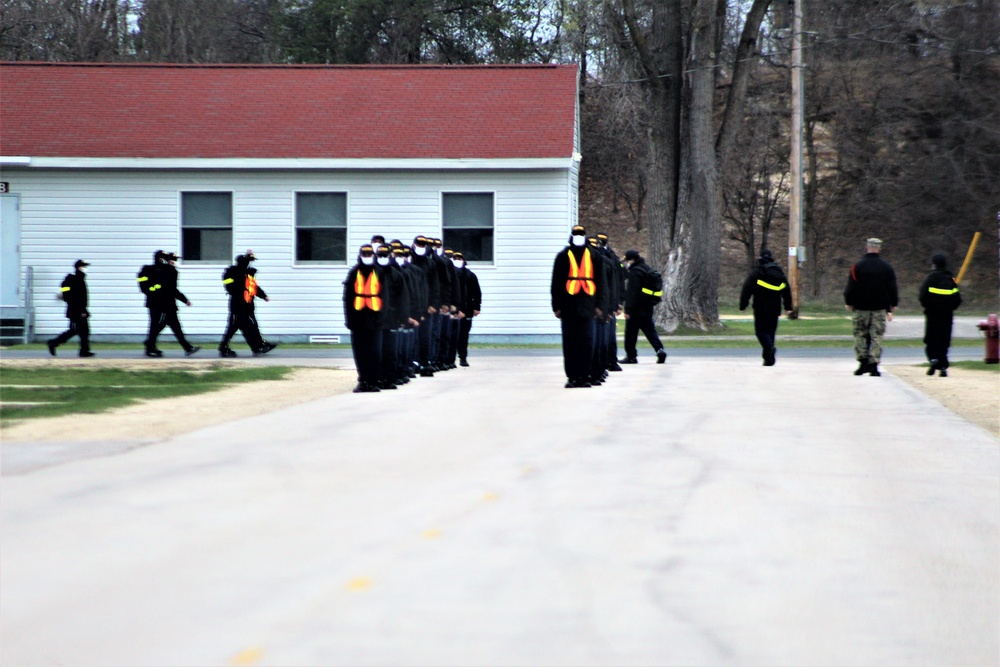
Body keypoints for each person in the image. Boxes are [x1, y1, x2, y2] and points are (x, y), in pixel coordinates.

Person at [551, 225, 606, 388]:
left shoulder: (595, 256)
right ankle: (572, 377)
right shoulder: (562, 256)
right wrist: (556, 306)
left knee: (587, 343)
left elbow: (601, 282)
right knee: (570, 344)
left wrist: (600, 306)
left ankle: (584, 376)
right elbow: (556, 283)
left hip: (588, 306)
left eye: (581, 234)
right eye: (576, 234)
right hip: (568, 306)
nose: (579, 237)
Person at [844, 237, 898, 377]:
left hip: (860, 307)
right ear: (879, 249)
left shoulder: (857, 266)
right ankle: (873, 365)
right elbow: (891, 287)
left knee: (860, 334)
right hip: (879, 308)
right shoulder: (886, 267)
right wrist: (893, 304)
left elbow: (851, 286)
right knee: (876, 336)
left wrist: (849, 301)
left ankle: (862, 363)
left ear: (867, 248)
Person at [137, 250, 199, 358]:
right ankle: (149, 346)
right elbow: (160, 289)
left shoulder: (169, 271)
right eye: (170, 260)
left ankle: (187, 347)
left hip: (168, 304)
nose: (173, 262)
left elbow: (172, 289)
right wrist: (184, 300)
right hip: (158, 305)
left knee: (175, 326)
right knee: (156, 326)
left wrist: (184, 300)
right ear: (162, 259)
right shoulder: (155, 271)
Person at [739, 248, 794, 366]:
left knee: (760, 332)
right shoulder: (778, 273)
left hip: (760, 307)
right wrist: (788, 306)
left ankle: (769, 349)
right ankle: (769, 359)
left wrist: (743, 305)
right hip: (775, 308)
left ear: (760, 258)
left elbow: (746, 289)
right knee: (770, 333)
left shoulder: (756, 272)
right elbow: (786, 290)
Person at [344, 244, 386, 393]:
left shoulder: (379, 272)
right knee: (360, 353)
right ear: (360, 255)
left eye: (369, 254)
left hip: (375, 319)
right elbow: (348, 298)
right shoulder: (354, 272)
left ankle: (373, 381)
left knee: (375, 352)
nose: (367, 256)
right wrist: (348, 320)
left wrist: (383, 318)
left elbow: (385, 297)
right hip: (358, 319)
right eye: (365, 254)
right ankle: (363, 380)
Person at [219, 250, 277, 358]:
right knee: (234, 327)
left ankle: (258, 347)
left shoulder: (248, 274)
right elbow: (230, 286)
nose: (250, 263)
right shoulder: (234, 272)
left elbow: (254, 288)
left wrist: (263, 296)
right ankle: (224, 348)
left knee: (251, 327)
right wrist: (239, 289)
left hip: (247, 305)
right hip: (237, 306)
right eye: (249, 261)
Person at [620, 249, 667, 365]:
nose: (626, 263)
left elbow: (632, 293)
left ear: (632, 260)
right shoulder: (647, 269)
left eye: (627, 261)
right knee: (650, 331)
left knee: (631, 333)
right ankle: (659, 350)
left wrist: (627, 310)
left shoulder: (635, 272)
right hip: (647, 306)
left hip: (636, 308)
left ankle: (631, 356)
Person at [919, 253, 962, 377]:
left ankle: (933, 360)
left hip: (932, 314)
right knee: (944, 339)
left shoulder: (931, 279)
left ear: (934, 265)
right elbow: (957, 299)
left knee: (931, 338)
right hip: (947, 315)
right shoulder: (950, 280)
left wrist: (928, 307)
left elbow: (922, 296)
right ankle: (943, 365)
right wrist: (950, 308)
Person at [47, 259, 94, 357]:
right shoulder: (73, 279)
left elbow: (80, 298)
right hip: (76, 311)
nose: (86, 268)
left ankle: (84, 351)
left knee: (82, 331)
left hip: (79, 310)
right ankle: (54, 343)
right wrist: (81, 310)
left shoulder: (80, 279)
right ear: (79, 267)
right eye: (84, 266)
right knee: (76, 330)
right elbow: (72, 297)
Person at [453, 252, 481, 367]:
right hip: (455, 310)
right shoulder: (451, 274)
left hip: (468, 309)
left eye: (459, 258)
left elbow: (477, 292)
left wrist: (477, 307)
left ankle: (463, 357)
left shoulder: (470, 275)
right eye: (455, 258)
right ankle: (450, 358)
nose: (457, 260)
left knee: (464, 334)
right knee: (452, 334)